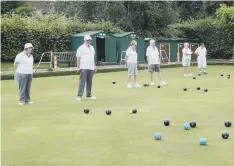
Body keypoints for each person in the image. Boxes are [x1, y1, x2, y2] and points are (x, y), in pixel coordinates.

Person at [76, 35, 96, 101]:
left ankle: (88, 95)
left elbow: (92, 58)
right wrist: (78, 67)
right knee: (82, 82)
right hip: (84, 67)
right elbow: (78, 58)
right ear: (84, 40)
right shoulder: (81, 48)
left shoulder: (92, 48)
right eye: (87, 40)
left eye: (89, 40)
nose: (88, 41)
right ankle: (79, 96)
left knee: (89, 82)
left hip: (91, 67)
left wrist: (94, 66)